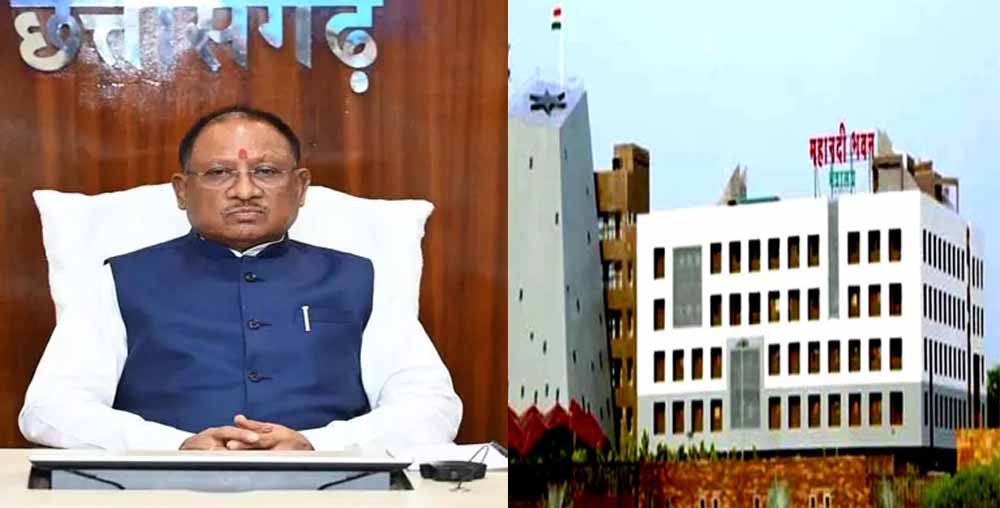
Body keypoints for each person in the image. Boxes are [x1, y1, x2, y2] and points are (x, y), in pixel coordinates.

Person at [19, 106, 462, 451]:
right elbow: (50, 407)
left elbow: (431, 406)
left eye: (266, 172)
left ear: (301, 187)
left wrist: (317, 446)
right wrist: (175, 446)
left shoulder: (359, 278)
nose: (245, 191)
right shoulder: (120, 279)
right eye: (219, 173)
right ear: (181, 191)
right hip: (162, 490)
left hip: (328, 489)